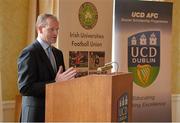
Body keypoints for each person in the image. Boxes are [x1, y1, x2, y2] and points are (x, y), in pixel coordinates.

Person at [17, 13, 77, 122]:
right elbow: (25, 88)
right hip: (35, 116)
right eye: (51, 29)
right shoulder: (29, 52)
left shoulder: (58, 53)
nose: (56, 33)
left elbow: (60, 81)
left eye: (57, 29)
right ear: (40, 29)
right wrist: (55, 82)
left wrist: (68, 80)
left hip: (55, 111)